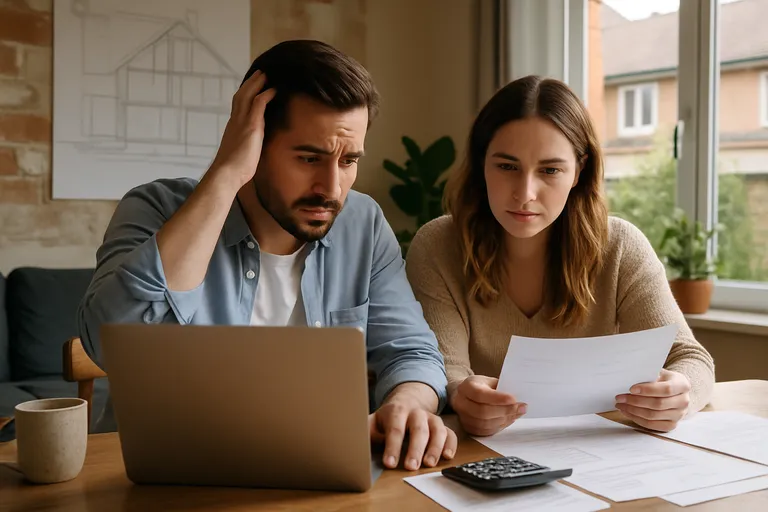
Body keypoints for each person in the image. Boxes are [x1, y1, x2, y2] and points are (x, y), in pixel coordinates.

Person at [78, 39, 456, 471]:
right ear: (253, 140)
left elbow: (411, 352)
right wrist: (226, 174)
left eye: (349, 160)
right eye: (309, 158)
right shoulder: (156, 209)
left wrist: (407, 404)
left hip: (316, 472)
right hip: (167, 477)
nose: (332, 189)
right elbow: (109, 343)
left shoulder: (362, 224)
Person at [405, 75, 715, 437]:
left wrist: (680, 395)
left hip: (604, 452)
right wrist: (461, 395)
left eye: (550, 170)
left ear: (579, 171)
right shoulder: (438, 246)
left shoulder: (621, 247)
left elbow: (691, 359)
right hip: (483, 455)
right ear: (481, 163)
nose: (525, 193)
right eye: (507, 166)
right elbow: (445, 372)